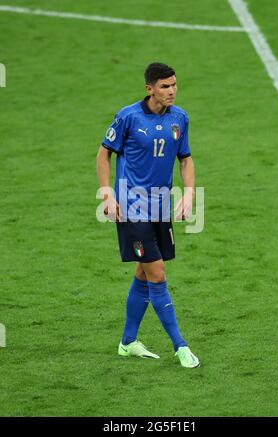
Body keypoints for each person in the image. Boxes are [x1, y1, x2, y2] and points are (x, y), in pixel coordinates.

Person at [97, 62, 200, 368]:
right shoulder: (128, 116)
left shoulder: (179, 118)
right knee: (157, 274)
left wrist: (190, 193)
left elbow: (186, 158)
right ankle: (180, 346)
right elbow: (104, 154)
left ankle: (127, 342)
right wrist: (107, 193)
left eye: (174, 85)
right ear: (150, 89)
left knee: (143, 273)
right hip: (131, 209)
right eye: (165, 86)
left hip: (160, 207)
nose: (172, 91)